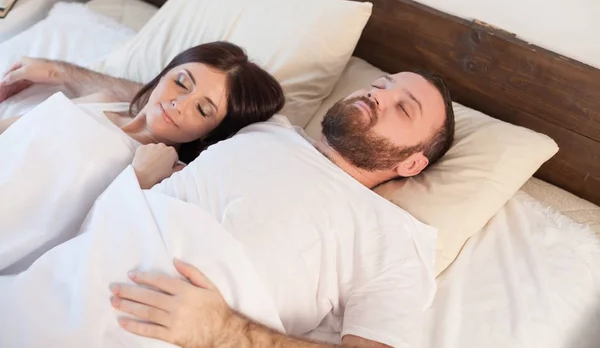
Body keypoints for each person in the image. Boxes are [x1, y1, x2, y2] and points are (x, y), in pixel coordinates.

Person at [1, 60, 455, 347]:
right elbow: (174, 98)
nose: (379, 94)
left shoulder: (397, 240)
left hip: (162, 326)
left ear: (412, 164)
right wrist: (65, 73)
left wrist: (224, 332)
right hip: (65, 277)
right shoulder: (271, 129)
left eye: (404, 108)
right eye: (382, 83)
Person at [0, 41, 285, 187]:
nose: (179, 103)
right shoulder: (104, 101)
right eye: (181, 82)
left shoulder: (165, 172)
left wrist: (140, 180)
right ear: (163, 75)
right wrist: (57, 71)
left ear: (210, 132)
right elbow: (13, 128)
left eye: (202, 109)